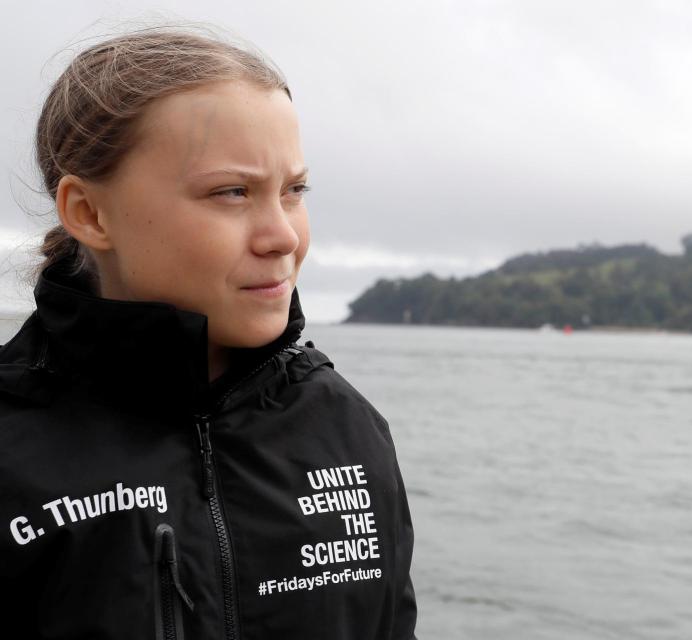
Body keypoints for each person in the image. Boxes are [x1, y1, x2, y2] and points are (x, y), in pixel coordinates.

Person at [0, 25, 417, 639]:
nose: (282, 236)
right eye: (232, 192)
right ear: (88, 213)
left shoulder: (346, 427)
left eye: (294, 191)